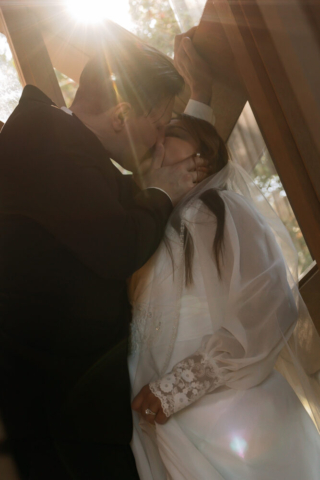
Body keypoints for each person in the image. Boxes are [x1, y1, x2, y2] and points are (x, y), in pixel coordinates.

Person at [0, 24, 213, 479]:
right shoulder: (45, 136)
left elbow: (136, 201)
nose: (159, 143)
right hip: (55, 405)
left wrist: (202, 103)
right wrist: (160, 190)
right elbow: (120, 244)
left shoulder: (71, 147)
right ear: (120, 115)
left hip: (77, 406)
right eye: (158, 128)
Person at [129, 114, 320, 479]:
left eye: (174, 134)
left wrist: (179, 386)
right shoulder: (154, 227)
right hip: (165, 422)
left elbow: (267, 303)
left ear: (205, 157)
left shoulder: (219, 209)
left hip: (231, 412)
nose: (159, 140)